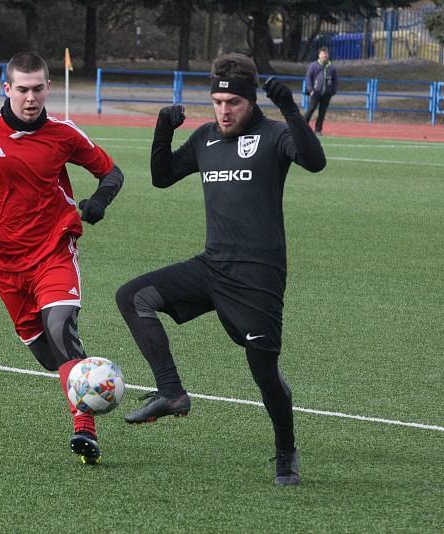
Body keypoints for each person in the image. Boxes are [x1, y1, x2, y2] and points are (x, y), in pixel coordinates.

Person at [115, 53, 326, 485]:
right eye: (217, 102)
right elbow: (162, 176)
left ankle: (286, 453)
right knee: (133, 296)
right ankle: (172, 393)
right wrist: (161, 130)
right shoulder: (206, 138)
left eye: (233, 103)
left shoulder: (274, 136)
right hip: (212, 267)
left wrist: (289, 107)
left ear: (250, 103)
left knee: (264, 374)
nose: (224, 111)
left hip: (258, 279)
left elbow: (314, 160)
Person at [0, 52, 124, 465]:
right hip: (4, 263)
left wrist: (99, 202)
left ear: (48, 89)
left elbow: (112, 173)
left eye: (38, 89)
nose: (30, 98)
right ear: (7, 89)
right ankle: (79, 384)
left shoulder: (63, 133)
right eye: (22, 89)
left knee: (60, 325)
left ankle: (84, 427)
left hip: (54, 248)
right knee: (46, 354)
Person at [303, 47, 338, 135]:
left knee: (322, 112)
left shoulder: (332, 67)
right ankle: (302, 126)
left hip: (327, 93)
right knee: (311, 109)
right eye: (323, 54)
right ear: (319, 55)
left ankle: (318, 130)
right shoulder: (314, 65)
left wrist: (333, 90)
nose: (324, 55)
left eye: (326, 54)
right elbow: (308, 78)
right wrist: (310, 90)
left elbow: (335, 80)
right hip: (316, 92)